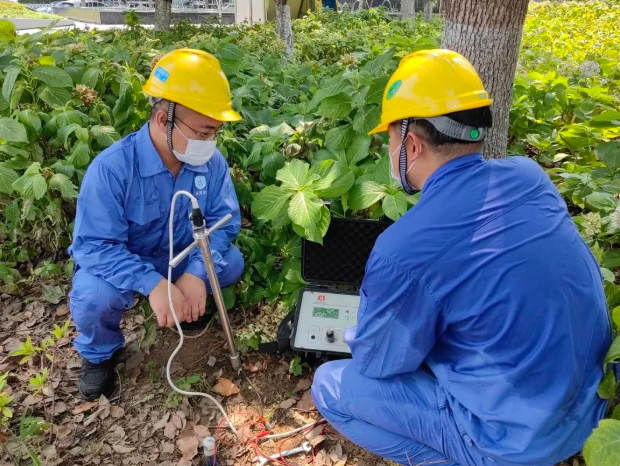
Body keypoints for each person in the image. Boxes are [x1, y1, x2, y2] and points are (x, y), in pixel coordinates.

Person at [311, 49, 611, 466]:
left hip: (512, 442)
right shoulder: (530, 176)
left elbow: (379, 361)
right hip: (590, 411)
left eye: (389, 139)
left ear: (411, 145)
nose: (388, 149)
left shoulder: (404, 248)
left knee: (330, 386)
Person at [69, 49, 244, 401]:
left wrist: (195, 271)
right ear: (164, 120)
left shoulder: (211, 162)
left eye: (216, 133)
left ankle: (187, 302)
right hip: (125, 261)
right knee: (93, 297)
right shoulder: (113, 168)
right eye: (204, 131)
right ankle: (99, 354)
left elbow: (223, 224)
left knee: (231, 264)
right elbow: (95, 247)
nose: (210, 143)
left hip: (180, 255)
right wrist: (151, 283)